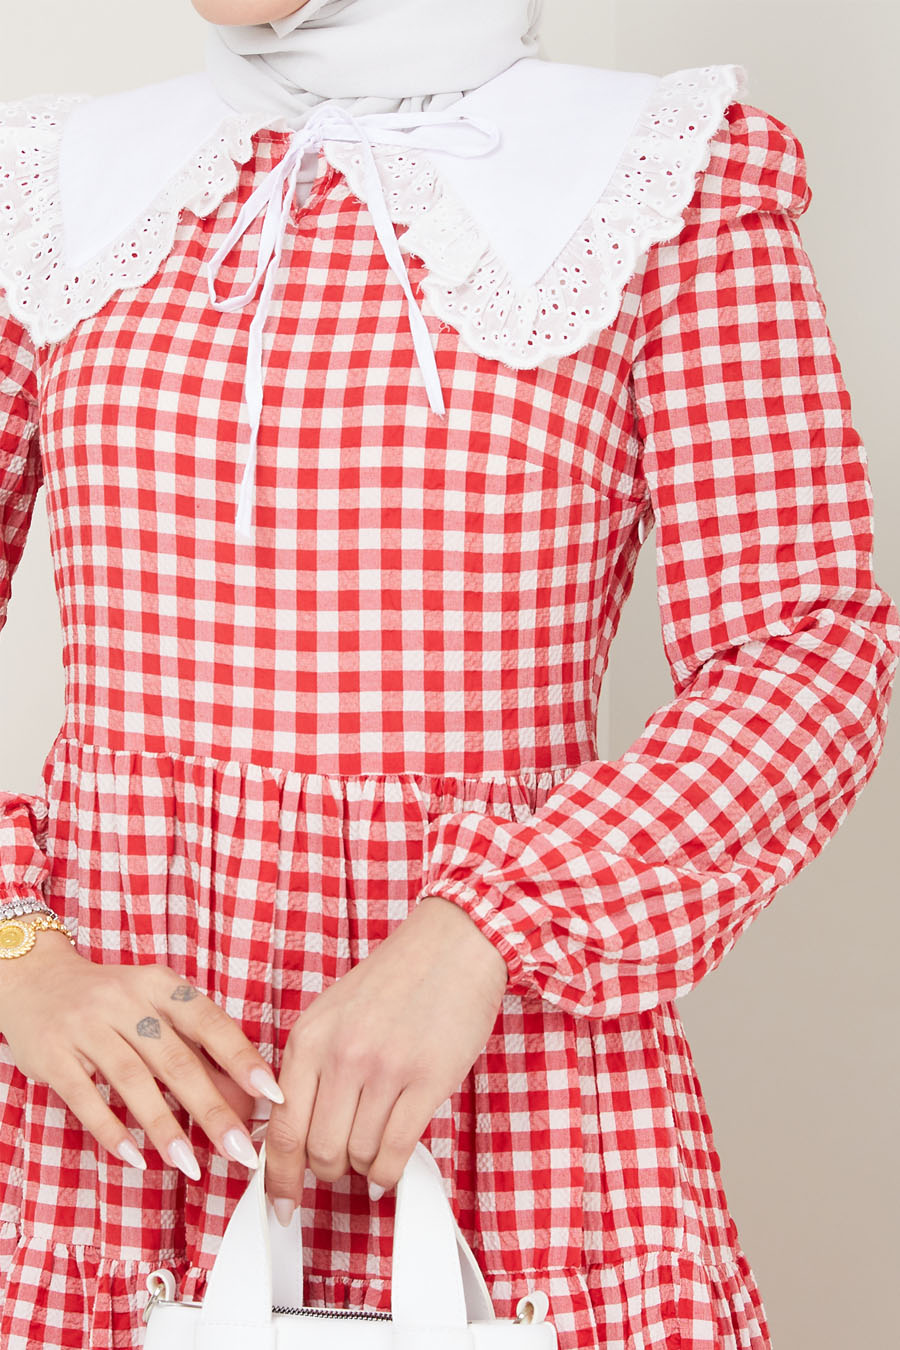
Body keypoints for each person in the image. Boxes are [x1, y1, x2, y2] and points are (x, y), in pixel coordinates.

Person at [0, 2, 897, 1347]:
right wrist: (17, 953)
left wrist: (486, 927)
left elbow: (809, 646)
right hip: (113, 1148)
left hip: (508, 1111)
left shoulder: (657, 173)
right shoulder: (56, 189)